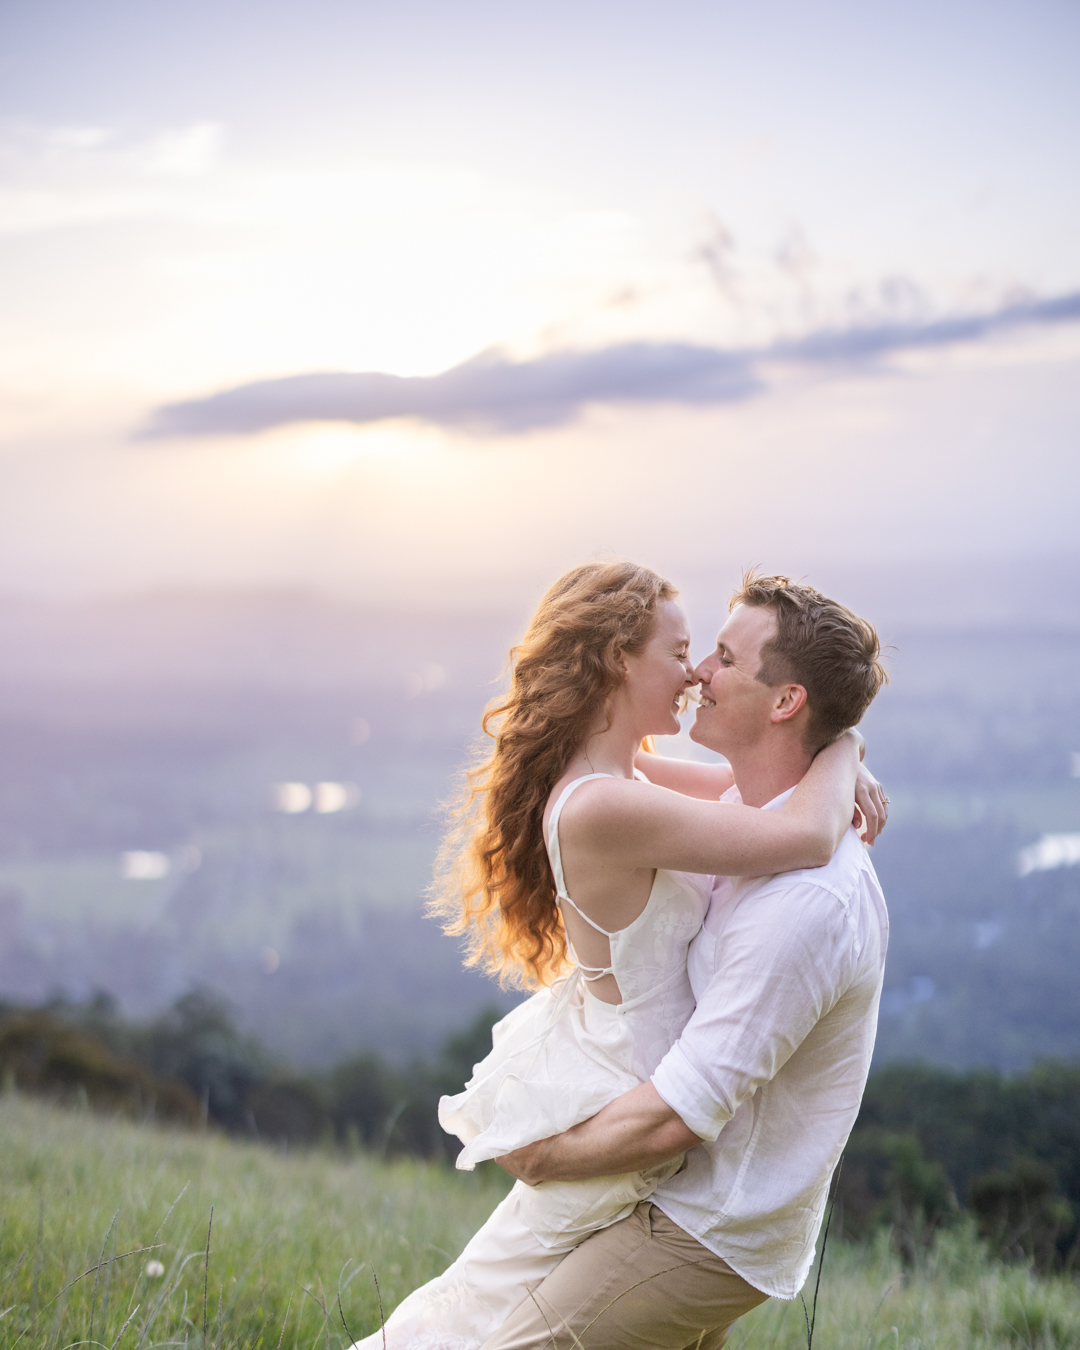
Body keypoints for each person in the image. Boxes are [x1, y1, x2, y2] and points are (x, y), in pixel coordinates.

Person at [350, 561, 885, 1350]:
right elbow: (798, 827)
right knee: (487, 1311)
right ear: (617, 660)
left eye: (718, 658)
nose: (697, 673)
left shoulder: (627, 779)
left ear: (784, 701)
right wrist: (844, 750)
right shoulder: (605, 803)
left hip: (664, 1126)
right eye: (683, 650)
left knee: (495, 1306)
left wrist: (838, 750)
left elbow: (772, 811)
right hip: (629, 1090)